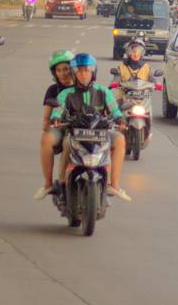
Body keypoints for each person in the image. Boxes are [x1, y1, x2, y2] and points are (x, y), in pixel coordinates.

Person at [53, 53, 130, 201]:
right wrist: (56, 117)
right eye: (79, 71)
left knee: (119, 139)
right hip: (75, 134)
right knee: (66, 144)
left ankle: (113, 184)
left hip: (100, 134)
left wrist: (120, 118)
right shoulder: (66, 94)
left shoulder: (103, 91)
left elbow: (114, 110)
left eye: (86, 70)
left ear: (93, 72)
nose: (83, 74)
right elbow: (58, 109)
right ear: (74, 73)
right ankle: (62, 183)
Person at [34, 50, 75, 200]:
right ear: (54, 73)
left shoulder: (84, 86)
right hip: (61, 128)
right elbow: (47, 117)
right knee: (46, 139)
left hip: (82, 130)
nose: (63, 73)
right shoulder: (53, 90)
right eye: (59, 70)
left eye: (66, 69)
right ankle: (48, 184)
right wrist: (48, 123)